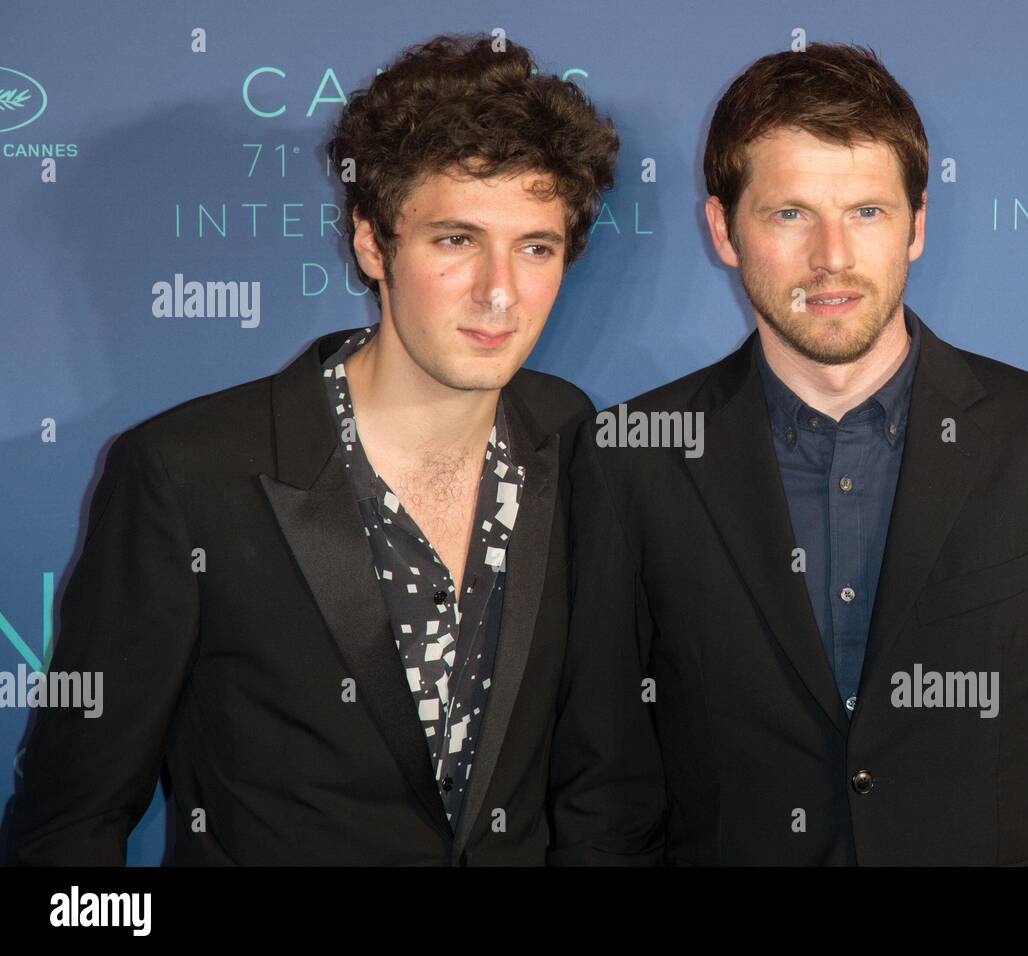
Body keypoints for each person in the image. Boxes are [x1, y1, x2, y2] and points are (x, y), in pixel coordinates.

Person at [547, 41, 1028, 865]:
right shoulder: (631, 458)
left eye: (867, 211)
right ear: (724, 229)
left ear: (917, 225)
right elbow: (603, 800)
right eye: (790, 214)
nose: (833, 258)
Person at [9, 32, 616, 865]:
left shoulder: (571, 434)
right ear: (374, 243)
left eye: (535, 247)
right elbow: (66, 828)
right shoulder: (187, 475)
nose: (499, 291)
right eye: (455, 240)